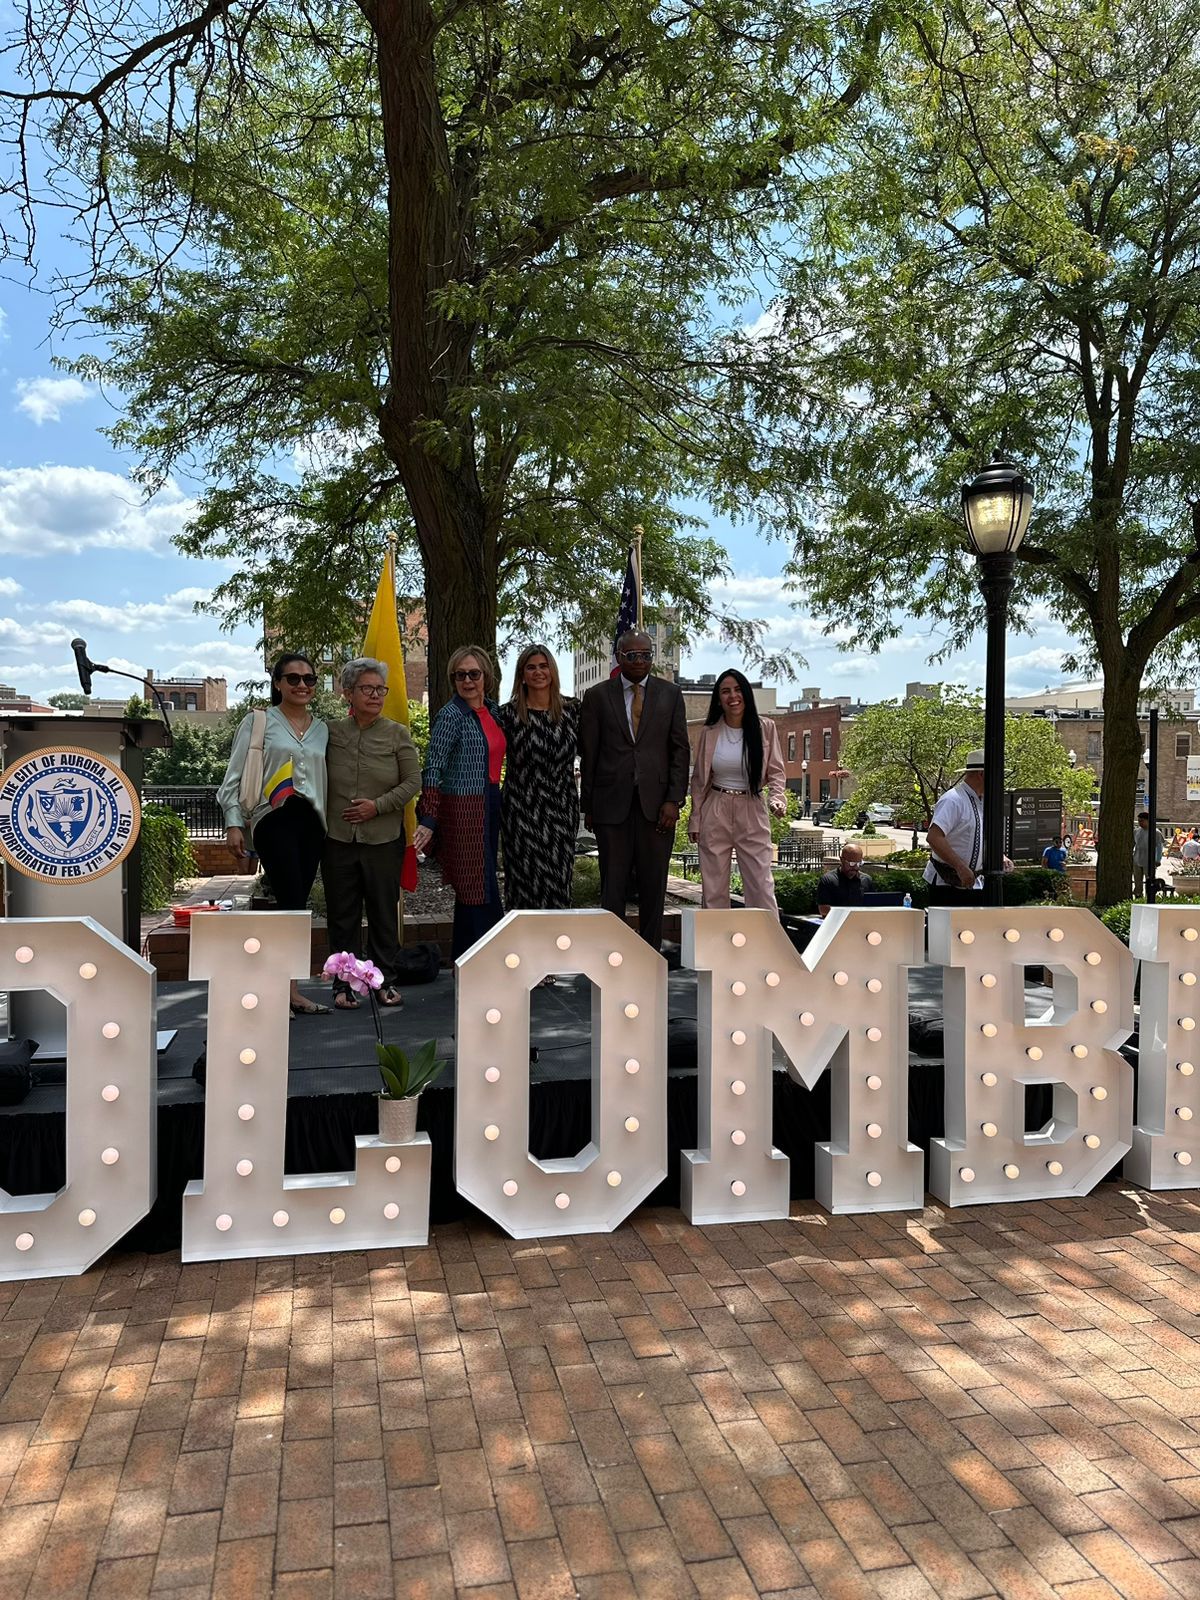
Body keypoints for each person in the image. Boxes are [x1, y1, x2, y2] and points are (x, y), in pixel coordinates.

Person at [219, 650, 330, 1015]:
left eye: (309, 679)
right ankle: (284, 990)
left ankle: (288, 987)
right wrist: (234, 821)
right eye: (293, 678)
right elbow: (234, 775)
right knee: (291, 903)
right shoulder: (259, 721)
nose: (302, 685)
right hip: (274, 817)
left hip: (312, 822)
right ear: (278, 683)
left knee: (298, 905)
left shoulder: (322, 728)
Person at [579, 630, 690, 951]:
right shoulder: (598, 697)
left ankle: (650, 954)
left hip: (657, 808)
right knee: (612, 887)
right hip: (610, 807)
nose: (640, 661)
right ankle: (613, 955)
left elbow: (679, 751)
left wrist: (674, 800)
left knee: (653, 886)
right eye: (632, 655)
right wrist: (589, 806)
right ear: (618, 657)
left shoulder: (671, 694)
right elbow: (590, 755)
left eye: (646, 655)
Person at [322, 657, 422, 1011]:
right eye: (368, 688)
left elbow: (413, 781)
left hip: (383, 839)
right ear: (348, 692)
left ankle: (383, 982)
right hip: (337, 839)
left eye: (381, 689)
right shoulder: (329, 732)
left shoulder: (397, 733)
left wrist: (376, 806)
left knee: (382, 913)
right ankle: (344, 983)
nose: (376, 695)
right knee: (343, 914)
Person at [413, 646, 506, 959]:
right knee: (476, 887)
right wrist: (429, 818)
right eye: (460, 675)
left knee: (480, 885)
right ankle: (485, 958)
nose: (468, 681)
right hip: (463, 807)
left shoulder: (493, 711)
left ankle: (467, 960)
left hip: (491, 800)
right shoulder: (450, 715)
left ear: (486, 676)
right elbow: (433, 767)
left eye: (474, 674)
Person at [687, 669, 787, 910]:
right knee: (713, 890)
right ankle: (715, 946)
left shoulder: (765, 727)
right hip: (716, 807)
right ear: (719, 698)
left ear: (746, 693)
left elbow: (776, 771)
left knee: (761, 886)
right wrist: (695, 818)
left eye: (738, 689)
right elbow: (700, 780)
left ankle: (767, 944)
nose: (733, 696)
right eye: (725, 691)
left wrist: (777, 798)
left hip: (752, 807)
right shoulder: (709, 732)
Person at [495, 644, 580, 918]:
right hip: (521, 810)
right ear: (521, 675)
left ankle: (557, 949)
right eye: (531, 667)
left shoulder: (573, 711)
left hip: (561, 809)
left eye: (543, 666)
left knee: (558, 882)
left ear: (552, 671)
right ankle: (522, 952)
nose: (538, 672)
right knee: (523, 885)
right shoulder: (507, 715)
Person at [924, 749, 987, 902]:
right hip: (946, 885)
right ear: (982, 774)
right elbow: (934, 837)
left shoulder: (982, 801)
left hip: (971, 884)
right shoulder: (953, 800)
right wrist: (960, 867)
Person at [817, 844, 874, 916]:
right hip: (836, 924)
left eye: (859, 863)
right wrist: (849, 916)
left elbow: (872, 907)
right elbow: (823, 909)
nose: (855, 867)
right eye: (851, 863)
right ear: (841, 860)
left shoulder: (866, 880)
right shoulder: (828, 880)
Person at [1133, 810, 1166, 896]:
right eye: (1139, 821)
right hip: (1137, 859)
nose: (1140, 823)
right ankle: (1138, 895)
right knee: (1137, 880)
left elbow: (1159, 847)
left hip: (1149, 861)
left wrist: (1157, 859)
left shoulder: (1156, 832)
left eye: (1142, 821)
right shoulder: (1136, 831)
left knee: (1149, 880)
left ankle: (1149, 895)